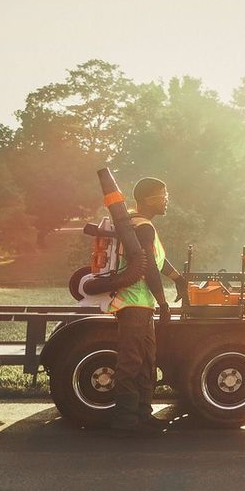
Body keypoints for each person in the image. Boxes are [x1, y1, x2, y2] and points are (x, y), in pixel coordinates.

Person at [105, 176, 184, 437]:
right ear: (149, 199)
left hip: (142, 305)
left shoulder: (140, 224)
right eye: (163, 195)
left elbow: (159, 262)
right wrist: (163, 302)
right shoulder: (142, 227)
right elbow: (148, 267)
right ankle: (125, 419)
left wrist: (178, 279)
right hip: (135, 304)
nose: (166, 199)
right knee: (132, 362)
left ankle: (142, 414)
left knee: (147, 361)